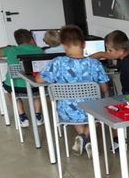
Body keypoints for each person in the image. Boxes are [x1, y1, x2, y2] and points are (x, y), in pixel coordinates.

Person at [36, 25, 109, 157]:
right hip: (92, 111)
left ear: (64, 46)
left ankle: (83, 138)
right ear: (84, 44)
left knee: (74, 106)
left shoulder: (57, 63)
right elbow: (104, 89)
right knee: (98, 112)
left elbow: (39, 79)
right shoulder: (95, 64)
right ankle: (85, 137)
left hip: (67, 112)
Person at [0, 29, 44, 127]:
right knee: (37, 93)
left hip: (16, 87)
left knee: (11, 92)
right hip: (34, 86)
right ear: (31, 39)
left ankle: (22, 117)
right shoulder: (39, 50)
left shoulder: (12, 50)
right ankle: (38, 116)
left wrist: (7, 47)